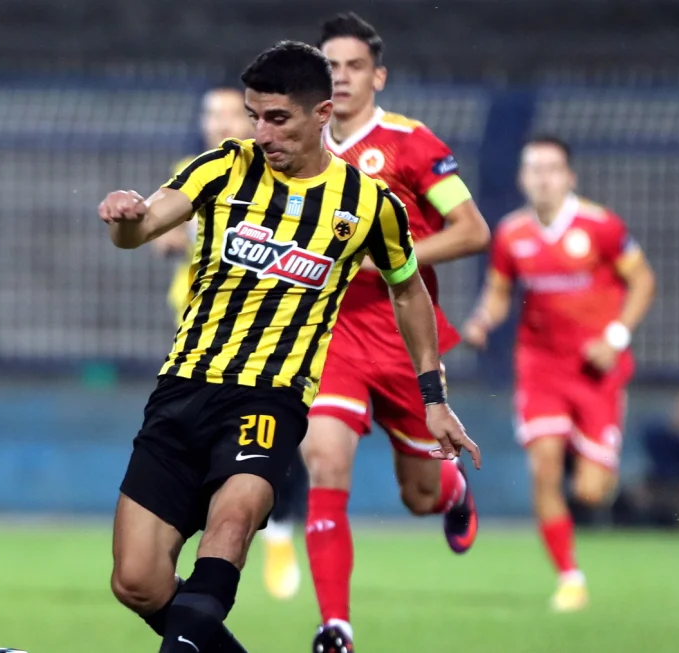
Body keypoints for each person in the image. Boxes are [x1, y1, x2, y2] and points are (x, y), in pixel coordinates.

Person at [98, 41, 480, 653]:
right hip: (183, 389)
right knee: (137, 581)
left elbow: (408, 290)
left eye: (278, 118)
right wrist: (126, 219)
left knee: (232, 524)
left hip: (270, 400)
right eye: (255, 116)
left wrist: (433, 398)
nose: (262, 132)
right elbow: (143, 227)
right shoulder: (223, 167)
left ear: (322, 113)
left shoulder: (368, 204)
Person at [298, 13, 493, 646]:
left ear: (377, 76)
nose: (341, 77)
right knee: (325, 463)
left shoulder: (411, 143)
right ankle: (335, 626)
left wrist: (388, 258)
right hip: (330, 338)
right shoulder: (297, 148)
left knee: (418, 496)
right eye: (330, 66)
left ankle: (451, 490)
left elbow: (473, 231)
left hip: (406, 341)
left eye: (354, 66)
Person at [463, 135, 655, 612]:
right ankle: (570, 577)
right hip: (540, 367)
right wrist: (483, 319)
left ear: (569, 176)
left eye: (552, 169)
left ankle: (586, 453)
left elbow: (644, 281)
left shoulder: (601, 226)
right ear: (522, 178)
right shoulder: (512, 234)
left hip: (596, 370)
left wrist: (615, 337)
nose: (543, 178)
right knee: (543, 468)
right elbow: (499, 292)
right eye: (534, 169)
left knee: (591, 490)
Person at [151, 85, 306, 602]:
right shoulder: (190, 171)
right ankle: (204, 541)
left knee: (275, 437)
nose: (219, 124)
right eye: (210, 114)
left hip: (265, 332)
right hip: (196, 327)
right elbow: (160, 230)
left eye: (228, 114)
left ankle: (277, 530)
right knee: (197, 437)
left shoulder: (279, 177)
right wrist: (162, 236)